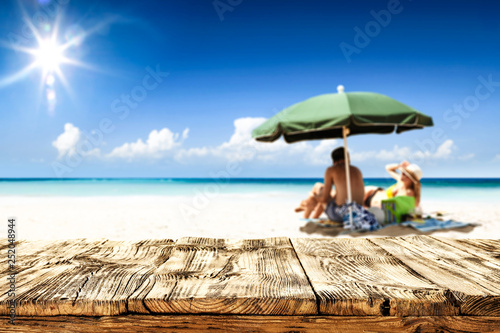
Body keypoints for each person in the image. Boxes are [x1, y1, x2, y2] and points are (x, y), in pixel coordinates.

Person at [302, 147, 365, 222]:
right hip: (358, 214)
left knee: (317, 186)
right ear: (348, 158)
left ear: (333, 161)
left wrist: (313, 197)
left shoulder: (331, 170)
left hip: (340, 216)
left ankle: (305, 218)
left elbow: (324, 199)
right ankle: (313, 218)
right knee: (330, 195)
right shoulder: (357, 170)